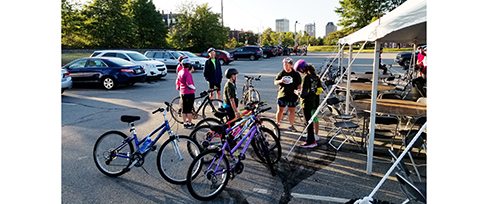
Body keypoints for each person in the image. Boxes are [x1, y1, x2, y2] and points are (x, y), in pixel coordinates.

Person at [295, 60, 322, 148]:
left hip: (306, 103)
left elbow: (303, 94)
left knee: (308, 123)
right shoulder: (316, 77)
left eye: (299, 70)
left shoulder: (306, 78)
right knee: (311, 121)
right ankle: (311, 138)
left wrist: (297, 92)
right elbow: (319, 89)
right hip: (314, 102)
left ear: (302, 69)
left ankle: (311, 141)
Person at [274, 57, 302, 132]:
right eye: (284, 65)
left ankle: (291, 125)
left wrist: (299, 90)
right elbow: (275, 82)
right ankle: (277, 124)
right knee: (280, 110)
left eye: (287, 65)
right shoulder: (281, 73)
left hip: (292, 96)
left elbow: (299, 84)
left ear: (291, 65)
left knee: (292, 111)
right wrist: (280, 81)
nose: (285, 66)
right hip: (282, 95)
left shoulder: (296, 74)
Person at [176, 58, 196, 129]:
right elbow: (189, 84)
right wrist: (194, 88)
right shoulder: (187, 73)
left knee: (184, 109)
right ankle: (189, 123)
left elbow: (178, 80)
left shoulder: (180, 71)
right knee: (189, 110)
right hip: (189, 93)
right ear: (189, 65)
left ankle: (185, 123)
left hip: (182, 92)